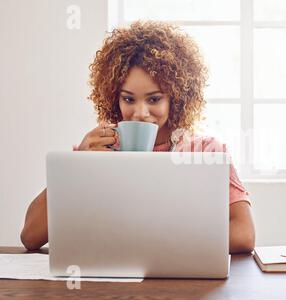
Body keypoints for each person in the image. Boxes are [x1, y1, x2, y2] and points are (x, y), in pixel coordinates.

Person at [20, 21, 255, 254]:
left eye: (154, 99)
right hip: (112, 285)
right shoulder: (98, 150)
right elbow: (31, 236)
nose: (140, 113)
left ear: (176, 98)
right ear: (115, 99)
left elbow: (244, 235)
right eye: (129, 99)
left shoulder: (205, 151)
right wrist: (77, 165)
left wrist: (151, 243)